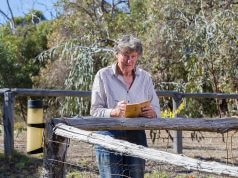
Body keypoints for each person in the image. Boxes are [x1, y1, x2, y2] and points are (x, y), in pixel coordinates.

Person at [90, 35, 160, 178]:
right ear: (116, 54)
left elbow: (156, 109)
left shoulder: (145, 78)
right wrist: (114, 112)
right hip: (108, 136)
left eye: (133, 56)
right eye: (126, 56)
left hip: (137, 135)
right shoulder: (103, 75)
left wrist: (152, 113)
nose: (130, 61)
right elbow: (94, 111)